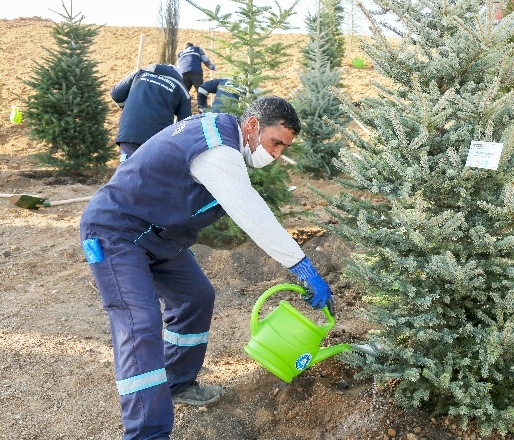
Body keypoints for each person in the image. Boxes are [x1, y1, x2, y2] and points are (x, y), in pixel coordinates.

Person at [79, 96, 333, 439]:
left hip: (158, 236)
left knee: (196, 296)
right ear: (253, 125)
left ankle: (177, 384)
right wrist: (302, 266)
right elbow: (251, 214)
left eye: (283, 149)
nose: (276, 155)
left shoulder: (223, 138)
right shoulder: (217, 150)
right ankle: (147, 433)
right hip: (116, 233)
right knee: (140, 324)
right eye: (275, 143)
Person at [110, 63, 192, 161]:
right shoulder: (181, 89)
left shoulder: (141, 73)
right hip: (156, 138)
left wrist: (127, 107)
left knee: (127, 171)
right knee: (150, 172)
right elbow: (185, 124)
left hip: (130, 131)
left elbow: (116, 94)